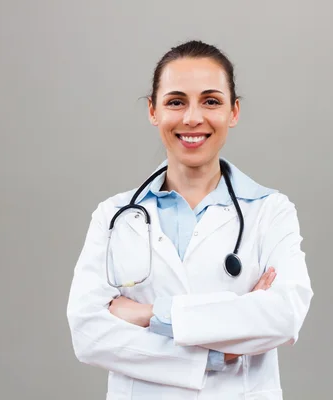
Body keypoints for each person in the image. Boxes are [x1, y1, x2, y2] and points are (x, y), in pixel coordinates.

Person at [66, 40, 313, 399]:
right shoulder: (114, 216)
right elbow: (88, 334)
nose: (192, 118)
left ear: (234, 112)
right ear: (153, 111)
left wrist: (152, 314)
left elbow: (284, 316)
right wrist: (217, 354)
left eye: (211, 101)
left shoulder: (270, 211)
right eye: (176, 102)